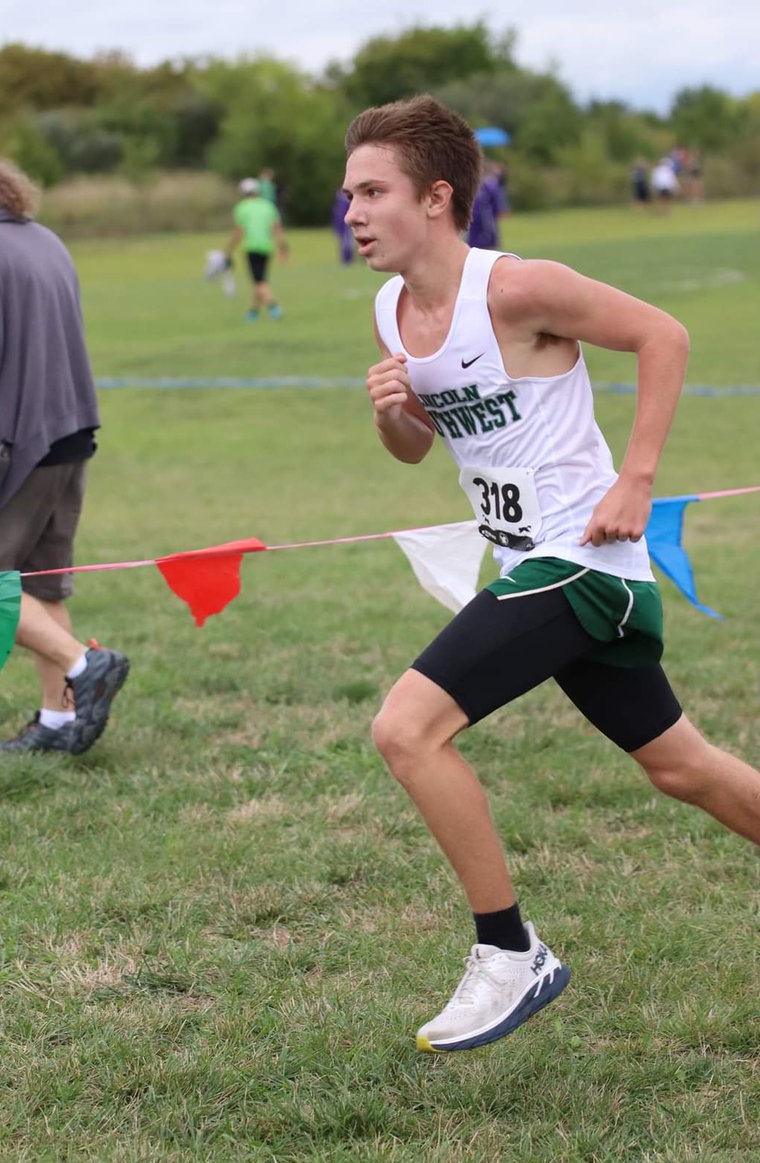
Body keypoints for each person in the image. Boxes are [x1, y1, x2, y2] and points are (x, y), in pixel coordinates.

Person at [342, 96, 760, 1054]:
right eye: (348, 193)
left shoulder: (518, 289)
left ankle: (510, 951)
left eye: (374, 191)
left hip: (583, 563)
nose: (353, 212)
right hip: (534, 562)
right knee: (680, 766)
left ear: (437, 197)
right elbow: (414, 451)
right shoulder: (390, 308)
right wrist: (392, 409)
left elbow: (665, 335)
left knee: (406, 730)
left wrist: (638, 479)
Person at [0, 152, 129, 755]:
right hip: (67, 435)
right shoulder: (39, 238)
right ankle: (60, 723)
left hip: (14, 449)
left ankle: (86, 665)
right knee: (42, 585)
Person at [228, 177, 288, 321]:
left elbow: (238, 232)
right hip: (267, 247)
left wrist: (228, 250)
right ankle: (253, 311)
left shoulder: (242, 207)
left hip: (252, 247)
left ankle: (273, 307)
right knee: (261, 281)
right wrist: (282, 248)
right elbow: (277, 229)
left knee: (259, 281)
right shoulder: (268, 206)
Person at [467, 160, 504, 250]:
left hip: (486, 221)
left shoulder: (489, 186)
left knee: (488, 244)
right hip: (472, 221)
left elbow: (495, 205)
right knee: (473, 244)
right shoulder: (469, 186)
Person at [331, 187, 354, 265]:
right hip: (341, 224)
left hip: (346, 224)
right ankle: (346, 260)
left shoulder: (345, 199)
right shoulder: (342, 199)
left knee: (347, 243)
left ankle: (348, 260)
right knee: (344, 243)